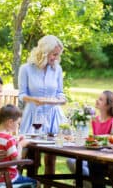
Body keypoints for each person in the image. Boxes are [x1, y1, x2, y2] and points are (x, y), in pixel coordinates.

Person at [18, 35, 66, 174]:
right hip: (34, 116)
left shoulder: (57, 69)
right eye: (54, 54)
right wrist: (34, 100)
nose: (56, 58)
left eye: (58, 55)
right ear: (44, 52)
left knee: (51, 160)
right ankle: (25, 183)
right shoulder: (26, 69)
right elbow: (22, 95)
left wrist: (60, 100)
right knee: (32, 158)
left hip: (53, 116)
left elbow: (60, 93)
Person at [67, 90, 113, 187]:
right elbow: (93, 139)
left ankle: (89, 183)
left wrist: (95, 139)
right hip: (93, 155)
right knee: (71, 161)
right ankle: (87, 183)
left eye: (101, 99)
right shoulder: (95, 120)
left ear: (108, 105)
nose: (97, 101)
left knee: (92, 165)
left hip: (106, 158)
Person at [0, 104, 38, 187]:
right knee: (35, 182)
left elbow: (4, 146)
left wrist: (15, 141)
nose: (18, 125)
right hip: (8, 178)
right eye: (18, 123)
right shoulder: (9, 139)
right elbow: (17, 161)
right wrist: (20, 145)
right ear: (10, 122)